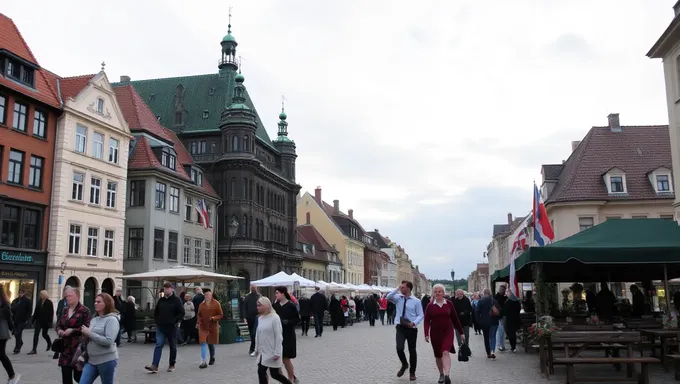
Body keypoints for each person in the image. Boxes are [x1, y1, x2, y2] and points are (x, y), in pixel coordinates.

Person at [424, 284, 464, 384]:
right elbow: (426, 321)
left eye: (440, 291)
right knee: (438, 355)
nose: (437, 293)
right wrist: (426, 333)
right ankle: (441, 373)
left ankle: (447, 375)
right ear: (433, 293)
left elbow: (455, 319)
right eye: (436, 291)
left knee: (445, 351)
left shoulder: (449, 304)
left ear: (443, 293)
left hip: (448, 331)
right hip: (435, 333)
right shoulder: (430, 306)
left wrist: (461, 332)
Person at [387, 280, 424, 381]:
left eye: (403, 287)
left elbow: (421, 314)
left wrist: (414, 323)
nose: (401, 288)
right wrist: (397, 289)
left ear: (408, 288)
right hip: (400, 327)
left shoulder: (416, 301)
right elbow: (388, 297)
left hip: (411, 328)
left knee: (412, 351)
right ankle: (404, 364)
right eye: (401, 287)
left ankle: (412, 373)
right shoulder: (398, 298)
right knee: (399, 348)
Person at [79, 293, 120, 384]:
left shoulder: (112, 320)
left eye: (99, 302)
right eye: (95, 301)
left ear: (107, 303)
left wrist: (89, 333)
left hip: (106, 359)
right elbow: (90, 337)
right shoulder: (94, 319)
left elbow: (109, 341)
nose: (95, 304)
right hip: (91, 360)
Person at [145, 282, 184, 373]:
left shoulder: (176, 300)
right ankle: (154, 365)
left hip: (172, 327)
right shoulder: (161, 300)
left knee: (172, 345)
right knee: (158, 344)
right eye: (165, 288)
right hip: (161, 327)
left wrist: (174, 320)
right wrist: (157, 321)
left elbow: (181, 313)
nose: (166, 290)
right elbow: (156, 312)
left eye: (168, 288)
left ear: (172, 289)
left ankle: (171, 364)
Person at [56, 286, 91, 383]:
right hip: (65, 348)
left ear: (77, 296)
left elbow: (87, 328)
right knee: (66, 378)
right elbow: (58, 324)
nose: (67, 298)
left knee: (78, 377)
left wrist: (73, 330)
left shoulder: (85, 311)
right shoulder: (65, 310)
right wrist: (59, 331)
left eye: (70, 296)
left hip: (78, 348)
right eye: (66, 296)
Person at [254, 296, 293, 384]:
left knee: (275, 374)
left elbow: (279, 336)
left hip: (272, 350)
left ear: (266, 305)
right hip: (263, 351)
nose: (257, 307)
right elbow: (258, 334)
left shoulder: (275, 318)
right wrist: (256, 349)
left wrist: (277, 352)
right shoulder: (260, 318)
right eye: (257, 305)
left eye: (259, 305)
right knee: (261, 372)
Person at [273, 286, 300, 384]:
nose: (275, 295)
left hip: (288, 335)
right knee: (277, 360)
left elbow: (297, 319)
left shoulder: (291, 305)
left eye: (277, 293)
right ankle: (283, 380)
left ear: (283, 293)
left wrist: (288, 322)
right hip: (277, 335)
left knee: (285, 359)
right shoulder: (275, 306)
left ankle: (291, 378)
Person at [197, 290, 223, 368]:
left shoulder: (216, 304)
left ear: (211, 295)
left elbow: (221, 315)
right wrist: (198, 321)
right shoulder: (201, 305)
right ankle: (203, 361)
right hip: (203, 326)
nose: (206, 296)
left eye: (208, 295)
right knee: (203, 342)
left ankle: (212, 357)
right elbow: (199, 315)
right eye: (205, 295)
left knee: (211, 343)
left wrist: (214, 318)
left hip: (212, 326)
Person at [0, 285, 20, 383]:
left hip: (1, 333)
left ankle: (12, 375)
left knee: (1, 355)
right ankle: (11, 375)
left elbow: (9, 318)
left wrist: (12, 328)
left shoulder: (4, 303)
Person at [476, 288, 501, 359]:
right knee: (493, 336)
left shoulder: (481, 301)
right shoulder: (494, 301)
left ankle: (488, 352)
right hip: (494, 321)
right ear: (489, 293)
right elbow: (500, 311)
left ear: (483, 293)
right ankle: (493, 350)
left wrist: (479, 321)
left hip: (484, 322)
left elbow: (477, 312)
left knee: (486, 338)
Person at [28, 290, 54, 355]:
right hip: (38, 321)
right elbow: (36, 311)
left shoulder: (49, 302)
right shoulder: (39, 302)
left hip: (45, 321)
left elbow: (51, 313)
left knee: (44, 334)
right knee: (36, 334)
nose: (40, 296)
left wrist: (50, 322)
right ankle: (34, 349)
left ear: (44, 295)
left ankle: (49, 343)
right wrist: (32, 320)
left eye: (41, 294)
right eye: (40, 294)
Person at [10, 290, 31, 355]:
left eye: (21, 293)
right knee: (16, 333)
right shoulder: (15, 300)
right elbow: (11, 309)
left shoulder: (27, 301)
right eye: (19, 293)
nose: (20, 294)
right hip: (15, 320)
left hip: (22, 320)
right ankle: (20, 343)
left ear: (24, 293)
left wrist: (26, 318)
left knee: (18, 333)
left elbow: (29, 311)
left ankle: (17, 348)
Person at [243, 285, 261, 355]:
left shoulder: (259, 296)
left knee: (256, 333)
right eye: (252, 288)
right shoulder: (248, 297)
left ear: (257, 288)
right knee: (252, 334)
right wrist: (245, 317)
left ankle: (254, 348)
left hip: (258, 318)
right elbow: (244, 307)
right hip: (250, 318)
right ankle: (253, 348)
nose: (254, 289)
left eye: (255, 288)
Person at [54, 286, 70, 359]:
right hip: (61, 322)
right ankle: (57, 352)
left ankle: (65, 352)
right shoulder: (61, 301)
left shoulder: (72, 302)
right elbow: (58, 311)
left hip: (69, 322)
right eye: (65, 292)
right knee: (60, 337)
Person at [494, 285, 508, 351]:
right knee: (500, 331)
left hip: (503, 316)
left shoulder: (505, 297)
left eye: (504, 290)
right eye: (502, 289)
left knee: (502, 332)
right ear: (499, 289)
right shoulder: (496, 297)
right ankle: (499, 345)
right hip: (498, 317)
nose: (503, 291)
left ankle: (502, 345)